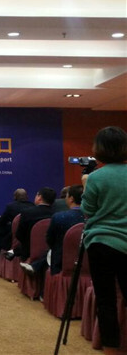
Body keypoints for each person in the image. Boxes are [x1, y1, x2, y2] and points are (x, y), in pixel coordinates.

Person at [81, 126, 127, 355]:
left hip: (102, 243)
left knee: (106, 301)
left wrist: (85, 185)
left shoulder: (96, 177)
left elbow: (87, 210)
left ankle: (111, 350)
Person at [46, 184, 84, 275]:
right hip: (88, 265)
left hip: (61, 265)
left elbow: (50, 240)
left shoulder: (58, 217)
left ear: (71, 199)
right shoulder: (92, 218)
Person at [13, 187, 56, 261]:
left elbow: (19, 235)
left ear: (39, 197)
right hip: (50, 255)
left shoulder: (27, 213)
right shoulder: (56, 214)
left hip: (28, 253)